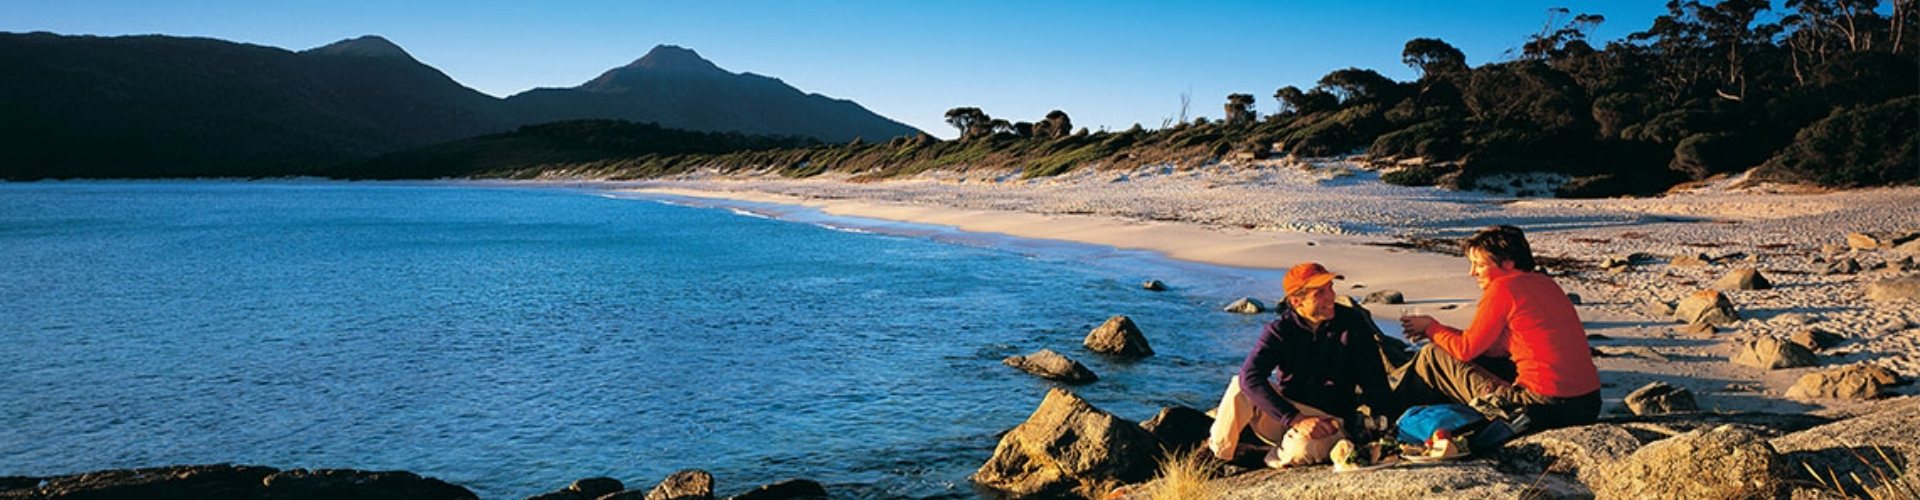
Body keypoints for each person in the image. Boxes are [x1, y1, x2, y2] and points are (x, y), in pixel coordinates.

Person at [1396, 225, 1601, 434]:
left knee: (1432, 355)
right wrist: (1441, 332)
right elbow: (1492, 348)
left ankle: (1391, 420)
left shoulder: (1503, 288)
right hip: (1588, 404)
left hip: (1539, 406)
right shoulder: (1546, 284)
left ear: (1508, 263)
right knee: (1450, 356)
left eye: (1479, 265)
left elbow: (1465, 349)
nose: (1472, 272)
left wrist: (1431, 328)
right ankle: (1420, 421)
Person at [1206, 262, 1398, 468]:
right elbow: (1251, 377)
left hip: (1330, 421)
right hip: (1289, 414)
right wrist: (1295, 418)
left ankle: (1259, 457)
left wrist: (1383, 430)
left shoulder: (1352, 324)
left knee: (1303, 450)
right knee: (1239, 384)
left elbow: (1375, 380)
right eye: (1321, 293)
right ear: (1297, 301)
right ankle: (1219, 458)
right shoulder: (1280, 330)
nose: (1331, 296)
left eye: (1330, 288)